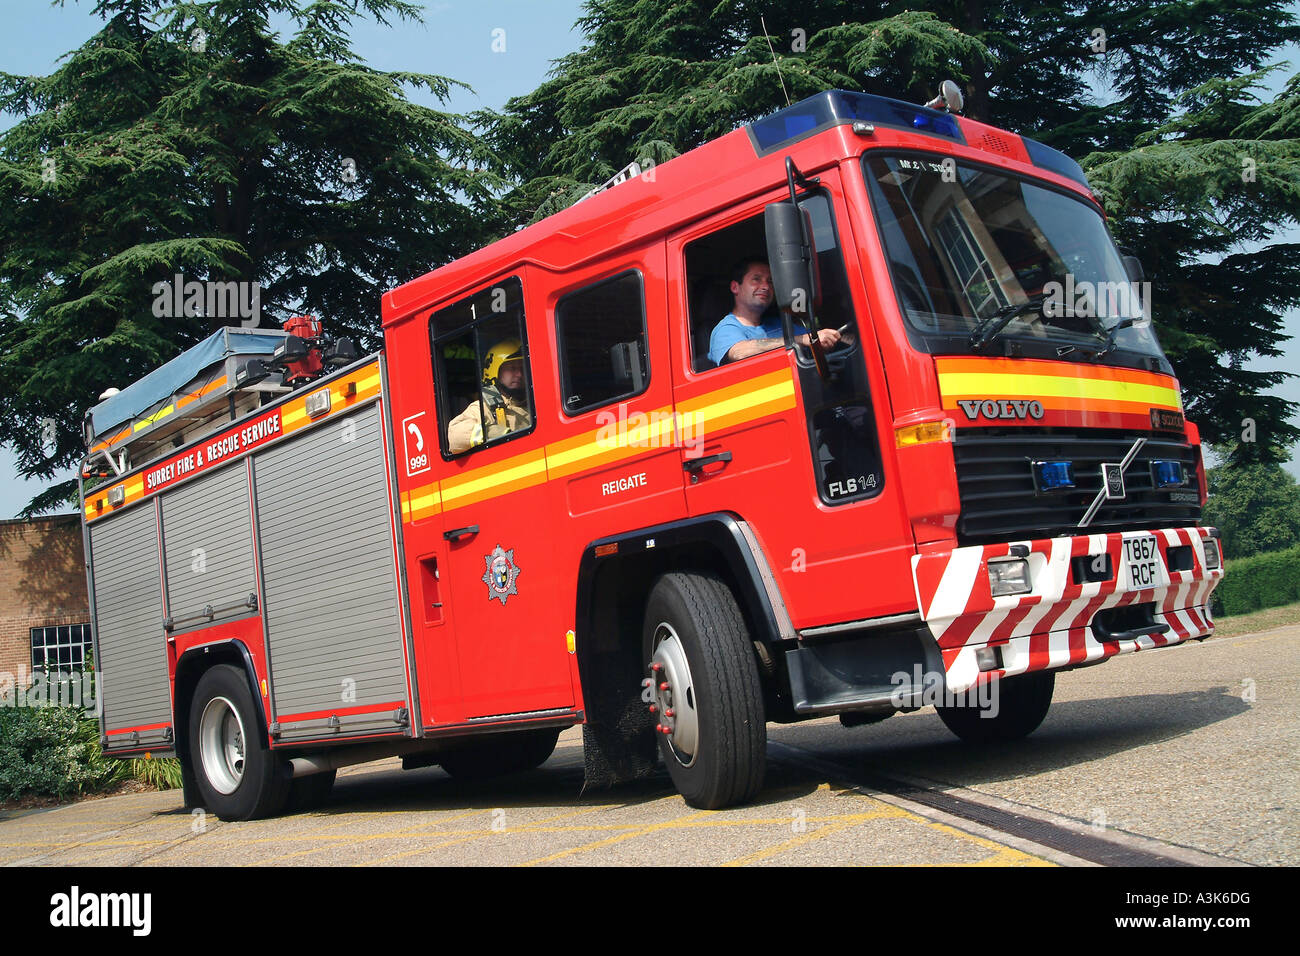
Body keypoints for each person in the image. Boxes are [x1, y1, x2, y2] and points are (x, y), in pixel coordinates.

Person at [708, 257, 841, 366]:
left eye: (770, 281)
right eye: (756, 279)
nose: (766, 286)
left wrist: (835, 337)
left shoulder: (777, 323)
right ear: (735, 287)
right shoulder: (726, 329)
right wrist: (802, 339)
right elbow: (739, 352)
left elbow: (814, 337)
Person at [447, 338, 532, 454]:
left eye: (522, 368)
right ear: (494, 371)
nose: (519, 374)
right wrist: (494, 433)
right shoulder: (484, 408)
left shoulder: (534, 404)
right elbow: (455, 437)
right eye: (512, 368)